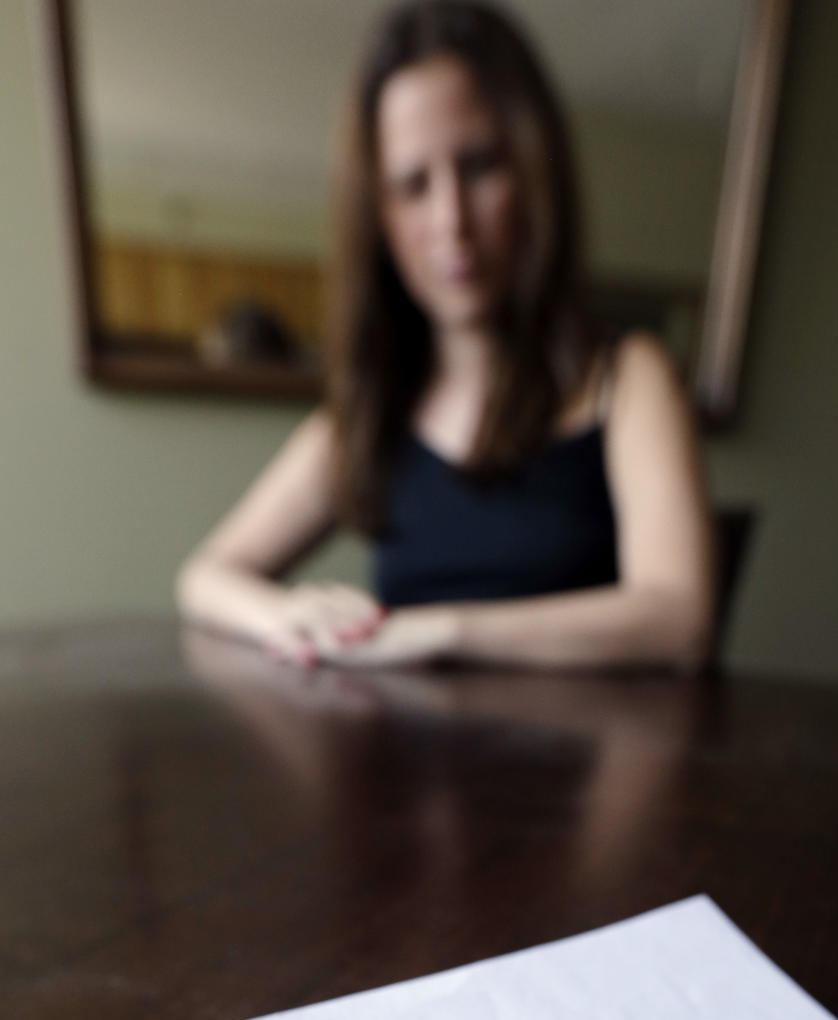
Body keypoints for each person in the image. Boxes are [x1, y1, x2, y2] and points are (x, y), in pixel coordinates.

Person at [175, 0, 714, 671]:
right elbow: (204, 578)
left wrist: (438, 631)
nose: (451, 220)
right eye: (412, 185)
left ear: (533, 169)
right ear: (379, 215)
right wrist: (285, 616)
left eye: (481, 165)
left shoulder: (630, 377)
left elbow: (679, 617)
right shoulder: (374, 414)